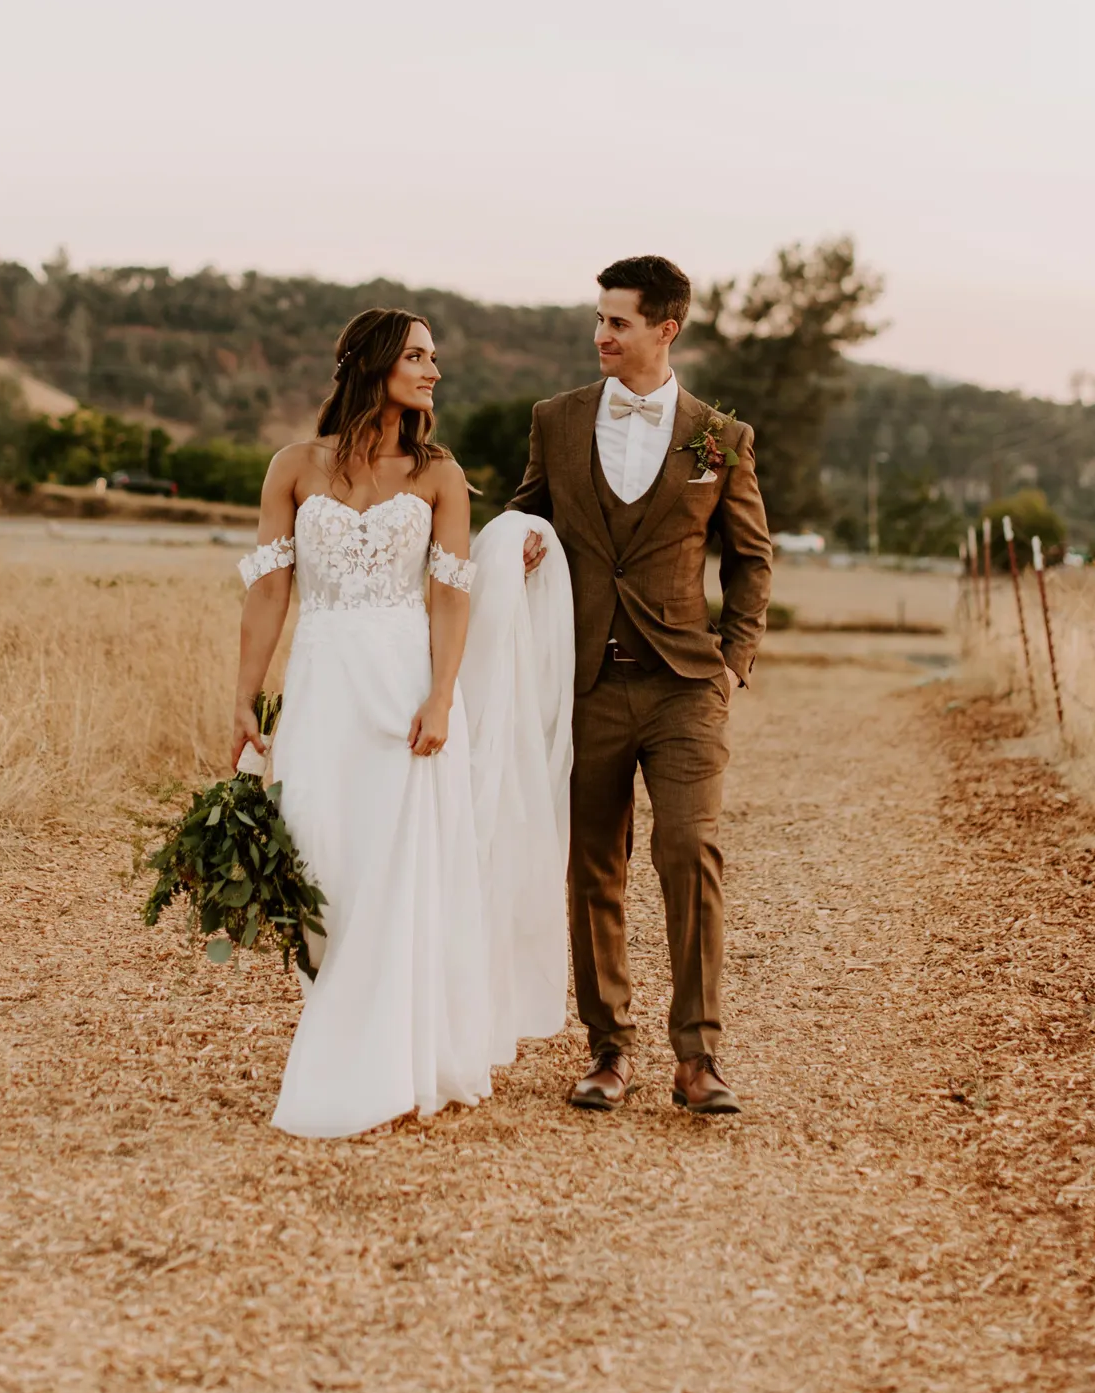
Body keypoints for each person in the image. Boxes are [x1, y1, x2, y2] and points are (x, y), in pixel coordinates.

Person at [232, 307, 572, 1138]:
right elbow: (270, 590)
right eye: (418, 355)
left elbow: (450, 596)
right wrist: (243, 695)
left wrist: (442, 696)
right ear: (374, 361)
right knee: (323, 860)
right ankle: (350, 1029)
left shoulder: (438, 475)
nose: (433, 370)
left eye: (433, 357)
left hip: (405, 694)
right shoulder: (293, 467)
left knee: (398, 868)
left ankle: (379, 1062)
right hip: (323, 690)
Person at [512, 254, 773, 1115]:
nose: (601, 334)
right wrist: (517, 547)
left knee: (689, 852)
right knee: (594, 866)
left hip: (684, 686)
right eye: (598, 318)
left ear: (666, 328)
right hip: (586, 680)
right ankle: (609, 1048)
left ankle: (698, 1057)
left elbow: (751, 557)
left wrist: (733, 658)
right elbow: (524, 514)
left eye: (617, 321)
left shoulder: (720, 437)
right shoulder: (555, 420)